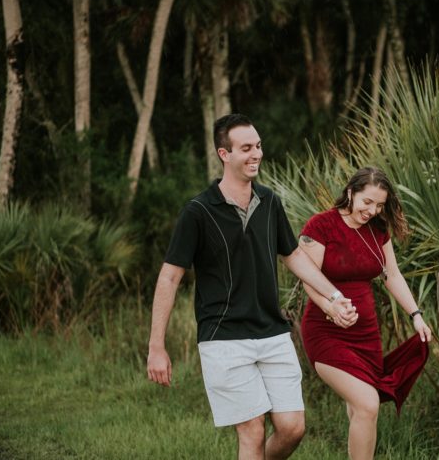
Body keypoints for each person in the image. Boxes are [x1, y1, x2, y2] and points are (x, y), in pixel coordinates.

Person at [146, 114, 358, 460]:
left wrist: (333, 297)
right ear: (224, 154)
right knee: (253, 431)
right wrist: (157, 346)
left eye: (258, 146)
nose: (256, 154)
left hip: (272, 333)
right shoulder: (198, 211)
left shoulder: (270, 201)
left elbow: (294, 257)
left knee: (292, 428)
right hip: (224, 337)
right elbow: (169, 277)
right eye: (246, 148)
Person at [298, 166, 432, 460]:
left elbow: (392, 276)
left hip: (366, 333)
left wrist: (416, 314)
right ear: (351, 193)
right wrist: (329, 307)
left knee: (360, 409)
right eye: (367, 202)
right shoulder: (321, 225)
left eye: (380, 205)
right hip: (326, 330)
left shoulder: (377, 231)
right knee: (368, 403)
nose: (372, 211)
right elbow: (308, 277)